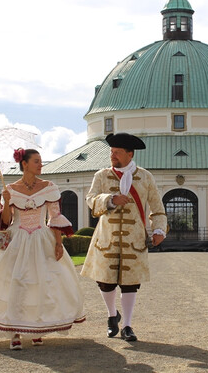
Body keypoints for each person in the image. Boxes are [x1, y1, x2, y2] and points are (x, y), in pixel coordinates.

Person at [0, 148, 85, 350]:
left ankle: (38, 328)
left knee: (41, 283)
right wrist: (7, 201)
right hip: (16, 239)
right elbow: (6, 221)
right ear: (24, 164)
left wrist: (58, 243)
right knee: (15, 283)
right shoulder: (10, 188)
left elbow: (54, 218)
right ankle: (15, 332)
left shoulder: (49, 187)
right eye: (37, 161)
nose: (41, 164)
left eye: (41, 161)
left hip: (42, 239)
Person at [81, 133, 167, 342]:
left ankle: (127, 325)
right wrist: (110, 199)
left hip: (134, 239)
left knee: (130, 283)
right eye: (111, 152)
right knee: (105, 283)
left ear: (130, 154)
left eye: (117, 153)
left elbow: (157, 207)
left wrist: (159, 230)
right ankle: (112, 315)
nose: (113, 156)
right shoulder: (101, 175)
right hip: (106, 237)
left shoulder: (145, 177)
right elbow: (90, 200)